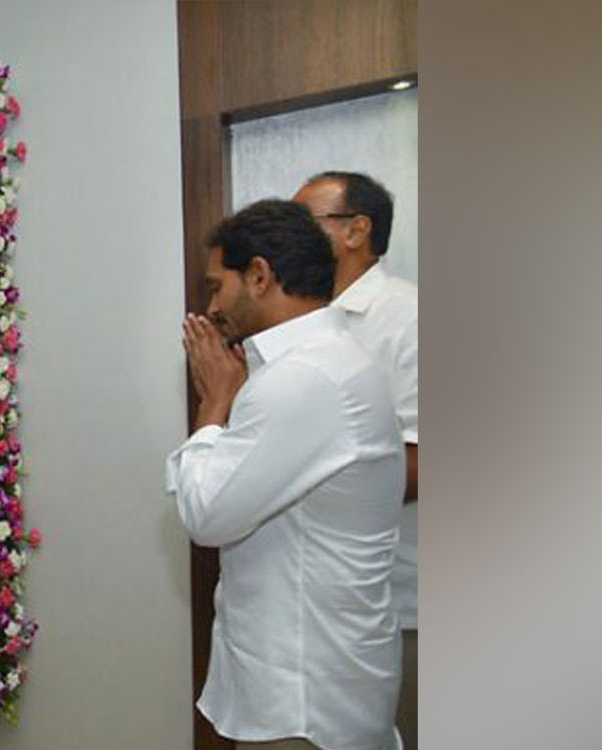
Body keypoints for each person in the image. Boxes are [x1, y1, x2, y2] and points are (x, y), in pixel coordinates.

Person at [167, 200, 404, 750]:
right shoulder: (325, 360)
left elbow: (207, 515)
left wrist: (213, 409)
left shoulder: (302, 379)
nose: (209, 307)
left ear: (259, 275)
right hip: (316, 677)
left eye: (215, 287)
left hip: (303, 697)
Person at [293, 172, 419, 749]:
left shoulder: (410, 317)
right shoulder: (300, 319)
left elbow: (421, 461)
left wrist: (296, 485)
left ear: (356, 231)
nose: (290, 234)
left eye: (306, 220)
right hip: (313, 604)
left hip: (402, 598)